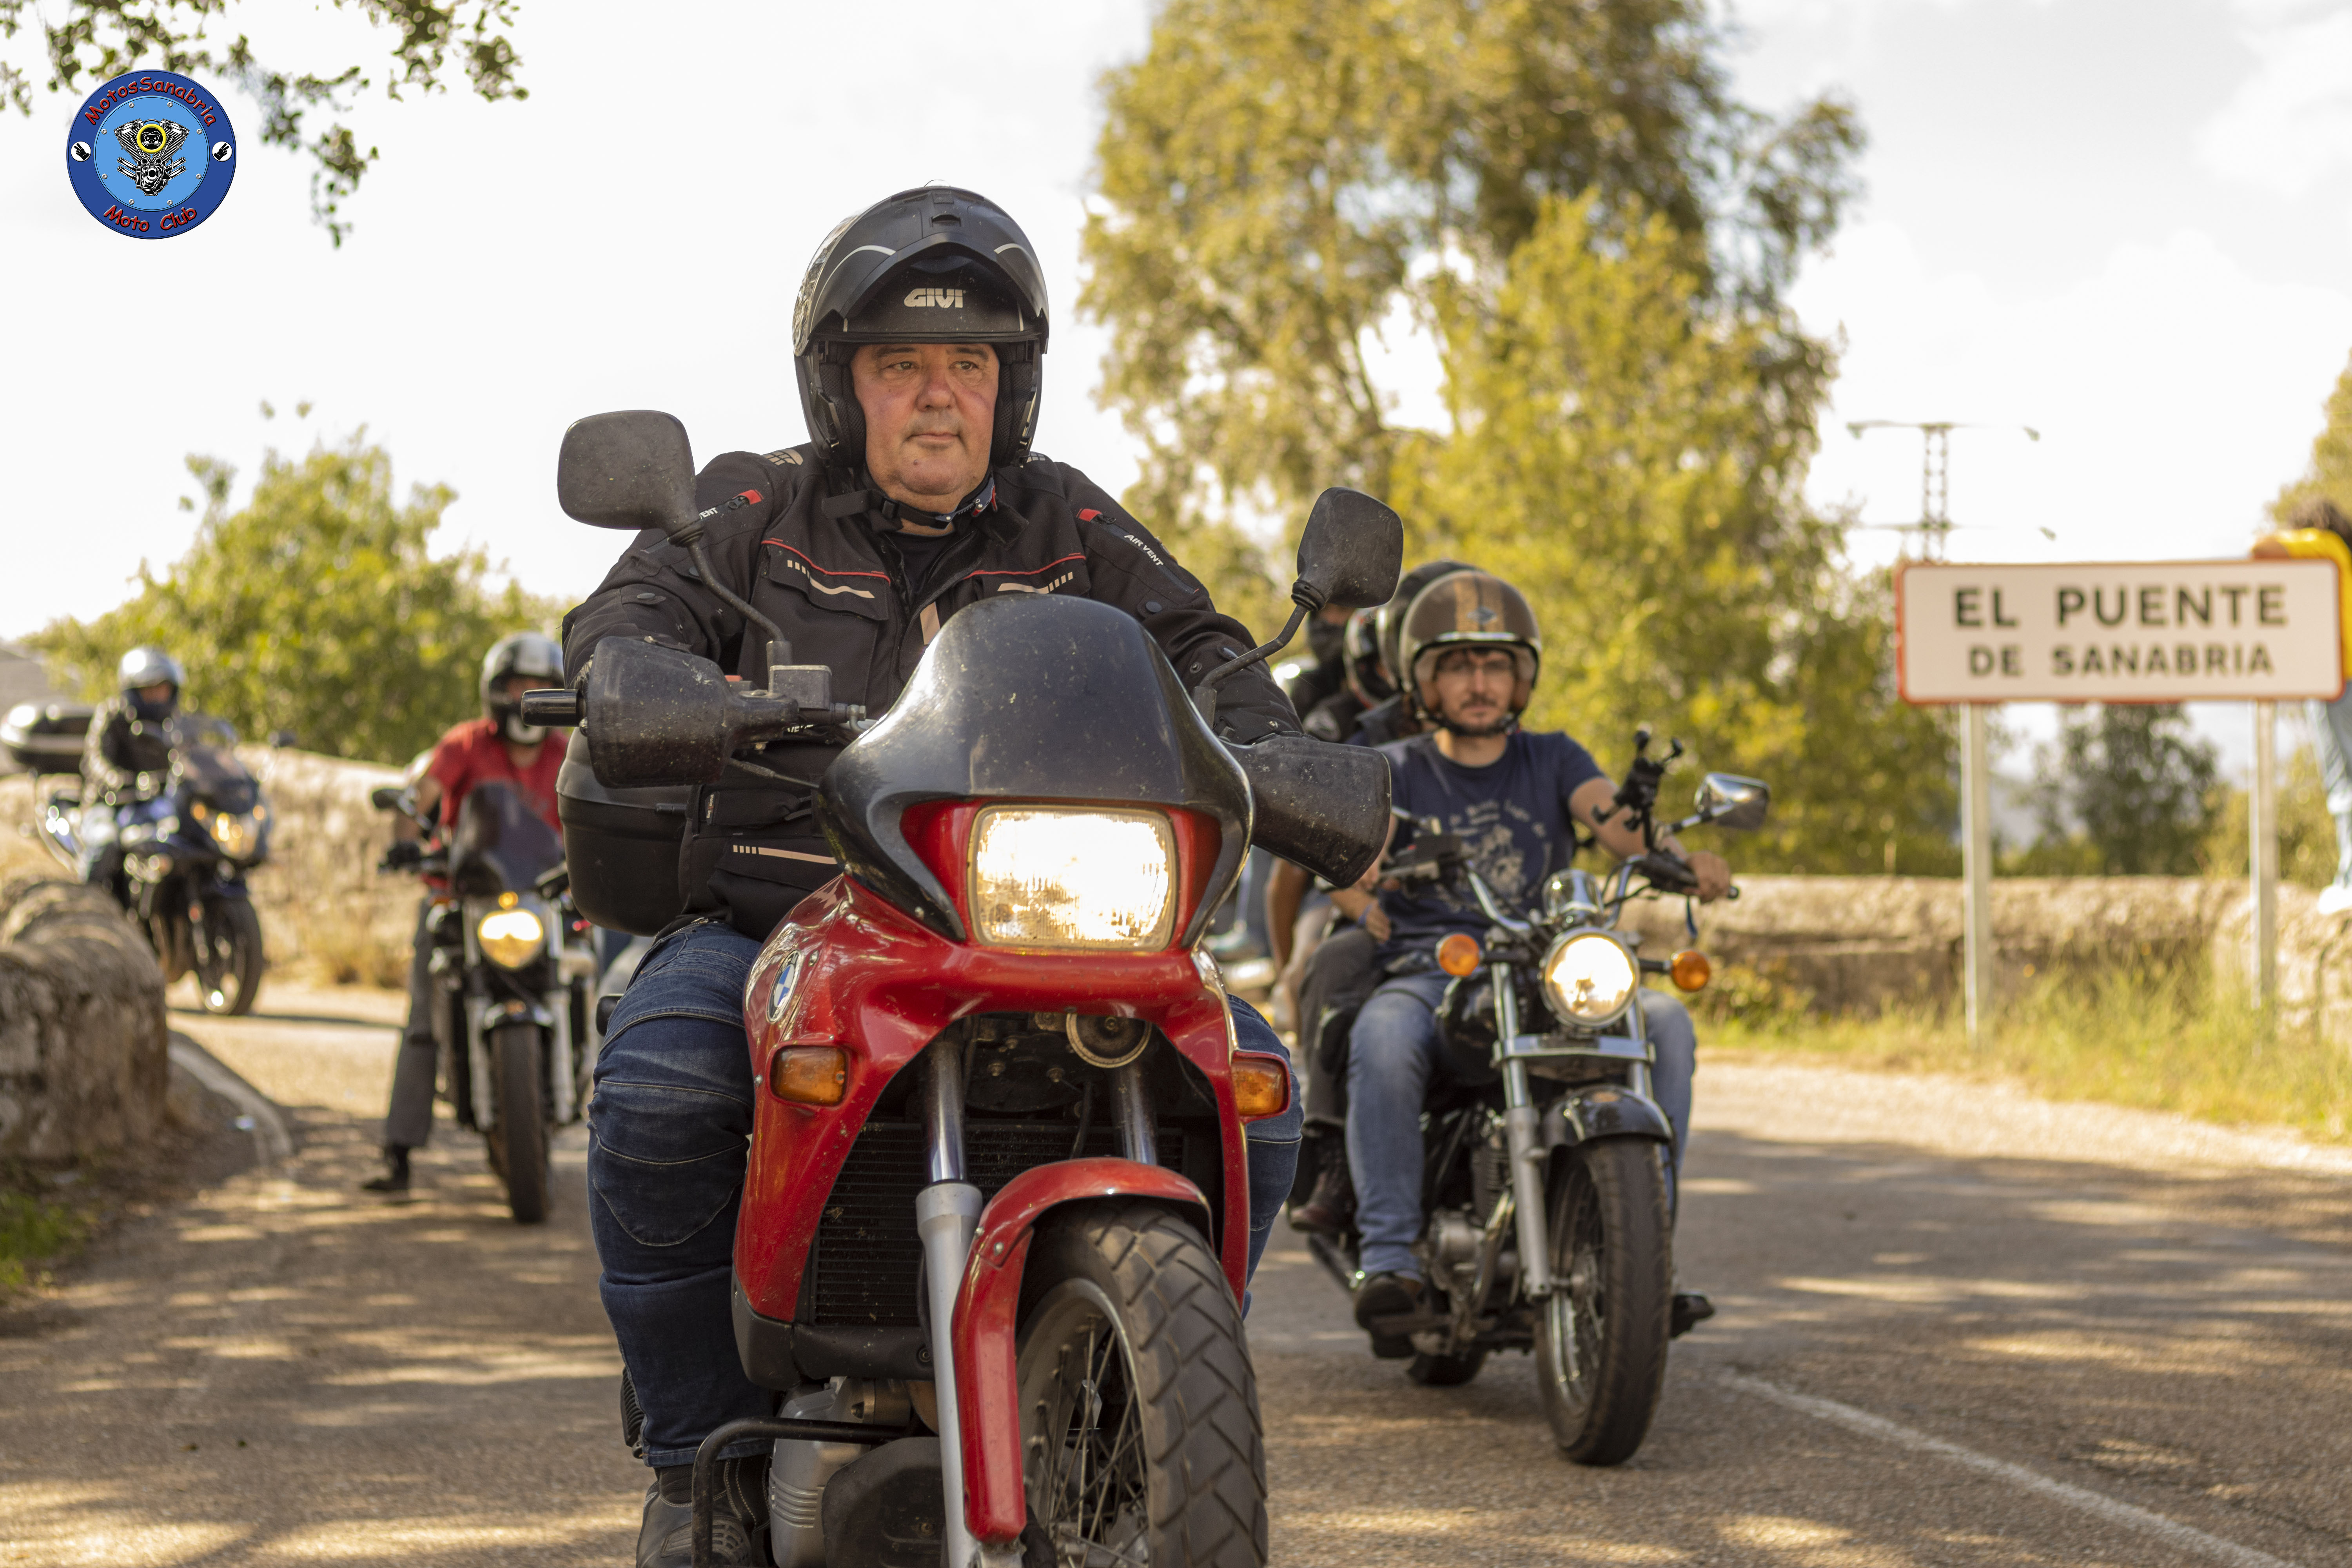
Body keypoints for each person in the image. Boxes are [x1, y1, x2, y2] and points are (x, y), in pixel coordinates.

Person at [558, 185, 1306, 1568]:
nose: (938, 394)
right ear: (840, 385)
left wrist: (1272, 738)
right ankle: (695, 1463)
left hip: (1049, 919)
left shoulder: (1072, 520)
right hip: (781, 911)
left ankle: (1129, 1407)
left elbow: (1206, 649)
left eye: (970, 362)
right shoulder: (751, 501)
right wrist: (638, 670)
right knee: (661, 1090)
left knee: (1255, 1100)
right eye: (899, 363)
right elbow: (632, 611)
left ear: (1012, 386)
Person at [1339, 568, 1731, 1347]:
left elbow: (1617, 823)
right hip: (1436, 967)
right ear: (1424, 679)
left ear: (1522, 678)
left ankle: (1648, 1252)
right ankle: (1388, 1255)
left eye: (1496, 665)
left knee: (1667, 1023)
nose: (1480, 684)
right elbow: (1356, 853)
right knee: (1381, 1036)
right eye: (1459, 666)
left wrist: (1683, 857)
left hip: (1549, 969)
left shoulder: (1554, 757)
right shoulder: (1399, 769)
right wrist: (1360, 885)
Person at [362, 632, 568, 1195]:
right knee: (424, 1016)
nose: (529, 697)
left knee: (598, 978)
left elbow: (595, 806)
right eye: (519, 686)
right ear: (496, 691)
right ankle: (399, 1151)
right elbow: (421, 797)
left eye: (541, 686)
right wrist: (407, 840)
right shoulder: (465, 744)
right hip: (464, 899)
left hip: (546, 900)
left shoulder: (568, 755)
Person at [2255, 496, 2352, 913]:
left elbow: (2263, 548)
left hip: (2338, 681)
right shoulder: (2343, 558)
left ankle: (2350, 880)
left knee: (2343, 781)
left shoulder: (2325, 546)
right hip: (2339, 678)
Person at [78, 646, 185, 897]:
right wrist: (120, 781)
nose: (158, 695)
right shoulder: (112, 714)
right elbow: (94, 758)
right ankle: (86, 903)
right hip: (109, 802)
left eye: (163, 688)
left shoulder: (174, 723)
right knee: (105, 844)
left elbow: (189, 755)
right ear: (134, 690)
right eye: (151, 688)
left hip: (153, 803)